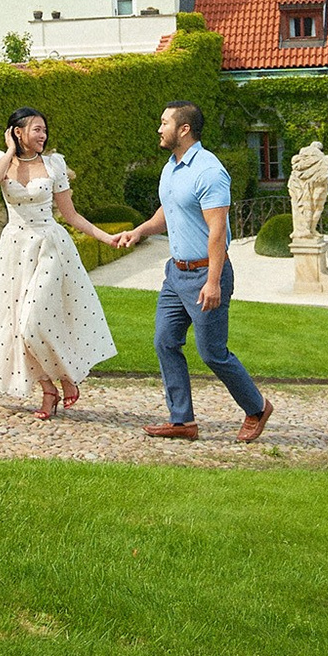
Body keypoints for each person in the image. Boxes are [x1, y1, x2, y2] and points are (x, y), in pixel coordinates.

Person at [114, 101, 274, 442]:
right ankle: (182, 420)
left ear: (183, 129)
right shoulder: (171, 167)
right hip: (176, 274)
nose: (159, 129)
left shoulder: (209, 171)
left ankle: (257, 407)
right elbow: (168, 210)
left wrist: (214, 282)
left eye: (164, 123)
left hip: (206, 275)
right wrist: (140, 230)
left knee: (212, 352)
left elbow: (217, 231)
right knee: (165, 341)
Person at [0, 107, 122, 418]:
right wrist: (9, 150)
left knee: (34, 320)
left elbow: (72, 215)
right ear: (18, 132)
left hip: (50, 246)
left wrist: (105, 237)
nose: (43, 135)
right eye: (36, 129)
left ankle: (67, 377)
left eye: (44, 129)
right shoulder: (1, 162)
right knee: (18, 327)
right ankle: (49, 390)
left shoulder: (54, 165)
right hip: (14, 250)